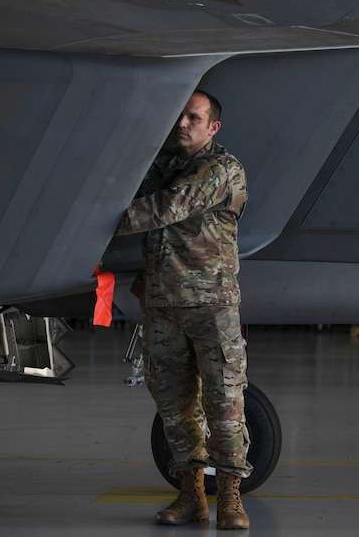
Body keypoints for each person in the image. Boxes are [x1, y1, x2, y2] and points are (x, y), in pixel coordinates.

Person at [115, 90, 251, 529]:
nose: (183, 124)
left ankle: (231, 498)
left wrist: (83, 218)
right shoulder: (163, 165)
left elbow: (161, 210)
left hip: (211, 305)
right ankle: (192, 496)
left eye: (194, 117)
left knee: (224, 404)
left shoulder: (221, 168)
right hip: (162, 305)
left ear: (212, 127)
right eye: (180, 116)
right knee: (175, 408)